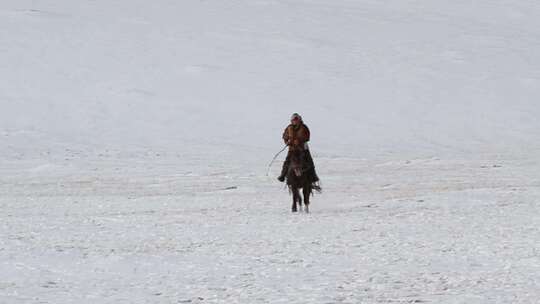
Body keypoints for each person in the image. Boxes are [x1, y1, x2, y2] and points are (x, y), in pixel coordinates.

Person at [277, 113, 319, 183]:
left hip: (302, 149)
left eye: (296, 119)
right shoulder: (288, 128)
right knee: (287, 161)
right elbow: (285, 136)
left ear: (299, 120)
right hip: (292, 149)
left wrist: (299, 140)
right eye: (293, 120)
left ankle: (313, 176)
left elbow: (307, 137)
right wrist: (287, 141)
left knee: (309, 161)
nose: (295, 121)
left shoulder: (304, 127)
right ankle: (283, 175)